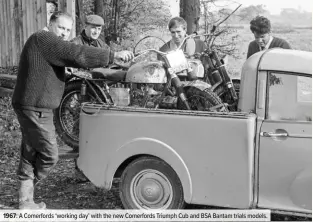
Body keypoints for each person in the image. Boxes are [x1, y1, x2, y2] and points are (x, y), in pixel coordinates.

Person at [11, 11, 133, 209]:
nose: (64, 33)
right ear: (50, 24)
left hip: (35, 105)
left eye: (68, 30)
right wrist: (113, 55)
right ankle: (27, 192)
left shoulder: (43, 41)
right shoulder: (44, 38)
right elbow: (76, 53)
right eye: (61, 28)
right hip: (34, 107)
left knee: (30, 151)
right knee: (50, 155)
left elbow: (58, 65)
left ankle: (25, 201)